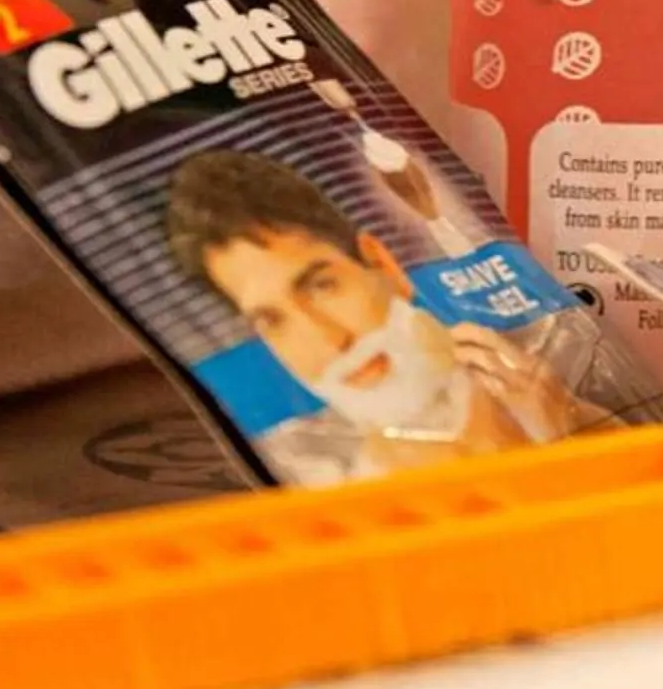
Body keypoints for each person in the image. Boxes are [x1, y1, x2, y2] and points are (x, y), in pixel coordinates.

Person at [164, 150, 570, 473]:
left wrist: (562, 439)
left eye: (322, 286)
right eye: (273, 320)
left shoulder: (547, 383)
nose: (329, 341)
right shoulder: (323, 490)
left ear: (383, 263)